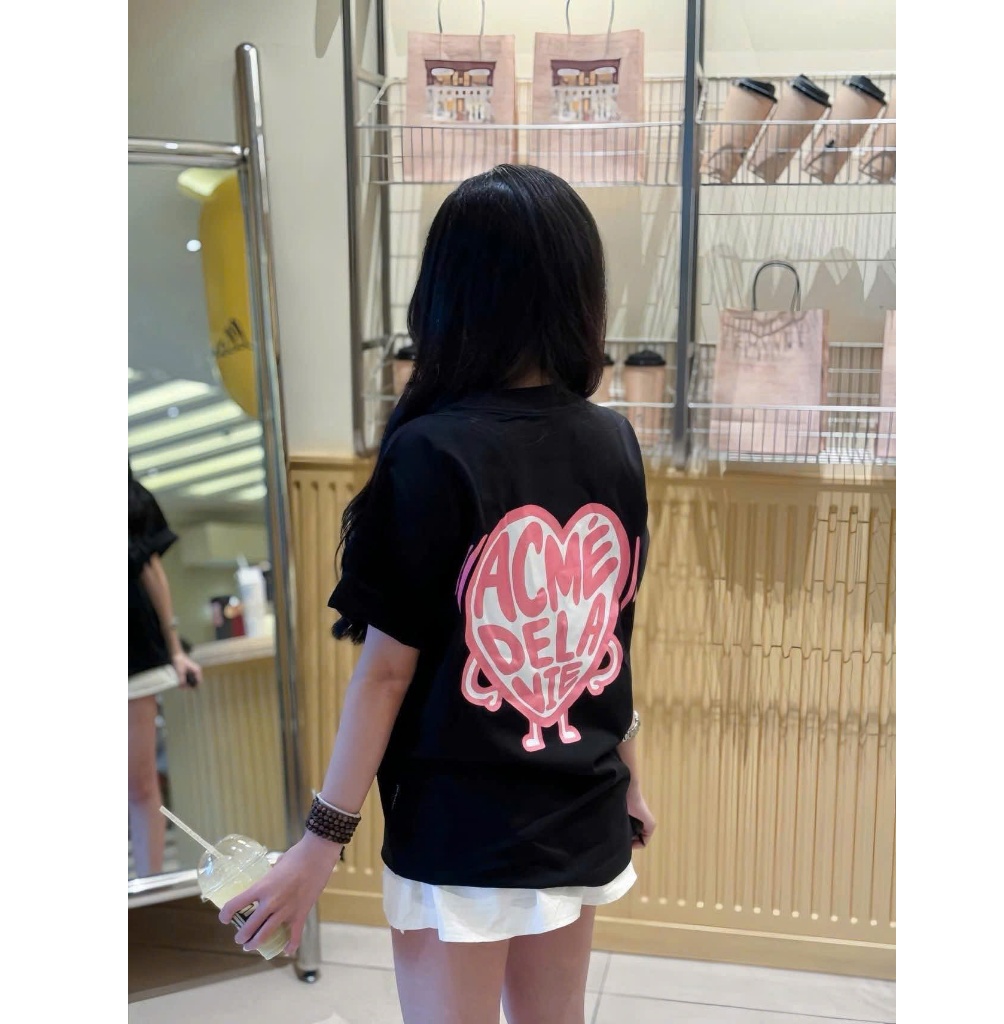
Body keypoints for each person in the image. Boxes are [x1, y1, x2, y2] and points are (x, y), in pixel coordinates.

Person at [220, 164, 656, 1023]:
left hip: (459, 832)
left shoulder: (431, 450)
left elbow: (385, 675)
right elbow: (602, 637)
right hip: (579, 811)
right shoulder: (614, 441)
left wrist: (318, 845)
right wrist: (630, 782)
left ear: (447, 296)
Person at [129, 464, 203, 877]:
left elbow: (149, 565)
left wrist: (175, 649)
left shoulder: (126, 492)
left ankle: (149, 892)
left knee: (140, 784)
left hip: (132, 650)